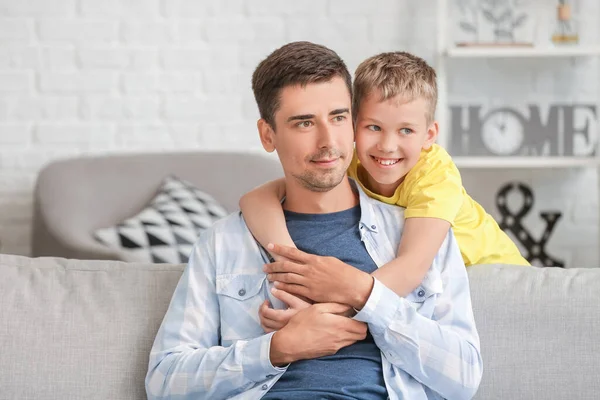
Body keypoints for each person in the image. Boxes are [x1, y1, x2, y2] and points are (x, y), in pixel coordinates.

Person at [145, 41, 482, 400]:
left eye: (339, 117)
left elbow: (463, 378)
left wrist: (365, 295)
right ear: (267, 135)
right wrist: (277, 348)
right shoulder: (224, 242)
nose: (328, 141)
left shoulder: (419, 232)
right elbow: (165, 383)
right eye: (304, 123)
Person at [239, 51, 529, 300]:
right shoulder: (352, 162)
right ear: (353, 125)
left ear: (429, 135)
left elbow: (411, 267)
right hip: (434, 288)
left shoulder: (434, 176)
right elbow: (255, 199)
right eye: (373, 128)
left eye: (406, 130)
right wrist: (292, 263)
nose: (387, 147)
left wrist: (324, 314)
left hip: (498, 279)